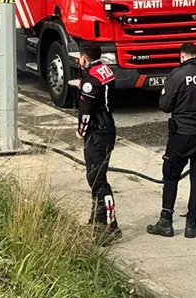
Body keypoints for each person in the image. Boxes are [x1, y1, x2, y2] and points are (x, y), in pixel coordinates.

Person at [147, 42, 196, 239]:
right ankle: (191, 224)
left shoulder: (177, 75)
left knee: (171, 177)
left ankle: (166, 222)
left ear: (182, 57)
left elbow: (165, 105)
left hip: (181, 135)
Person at [74, 43, 122, 243]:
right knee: (96, 178)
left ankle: (110, 226)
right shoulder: (105, 70)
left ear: (85, 58)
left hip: (97, 132)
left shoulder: (90, 81)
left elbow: (86, 111)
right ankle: (97, 218)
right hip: (107, 128)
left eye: (80, 58)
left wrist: (80, 132)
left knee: (97, 180)